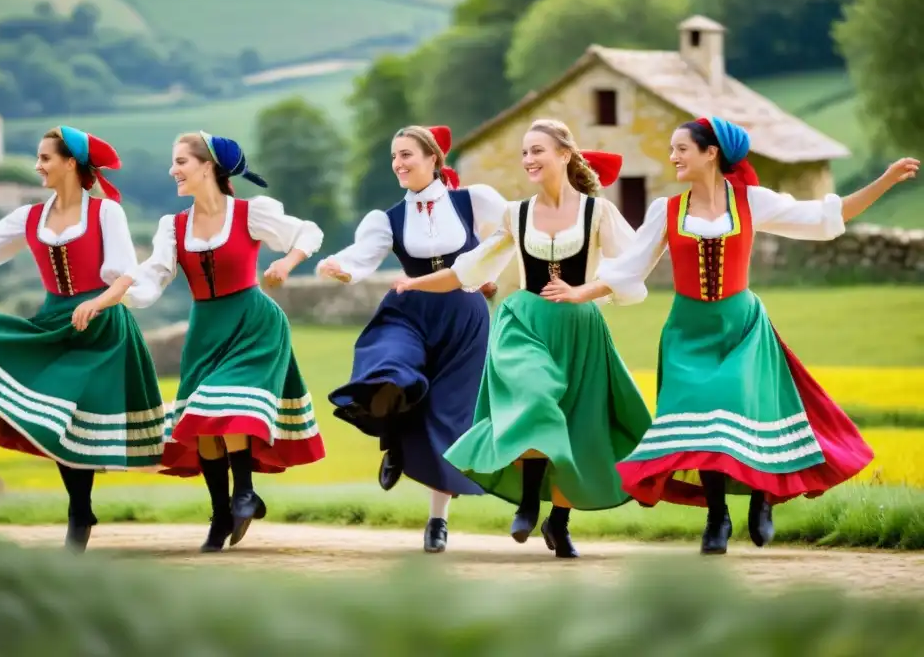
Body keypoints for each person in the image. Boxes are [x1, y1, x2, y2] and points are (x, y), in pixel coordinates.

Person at [566, 116, 919, 554]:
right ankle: (717, 516)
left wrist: (885, 180)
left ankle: (762, 498)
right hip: (687, 332)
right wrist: (581, 291)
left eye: (681, 149)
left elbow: (825, 215)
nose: (673, 156)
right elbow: (629, 268)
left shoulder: (753, 201)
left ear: (710, 153)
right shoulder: (667, 210)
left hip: (742, 327)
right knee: (703, 418)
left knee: (737, 406)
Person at [393, 119, 652, 559]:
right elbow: (469, 269)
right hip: (525, 321)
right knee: (535, 398)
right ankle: (531, 499)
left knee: (577, 424)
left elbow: (631, 271)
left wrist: (582, 291)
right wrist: (414, 284)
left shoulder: (597, 212)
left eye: (538, 151)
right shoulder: (517, 214)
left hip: (579, 328)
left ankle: (560, 522)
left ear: (565, 155)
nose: (529, 160)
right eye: (525, 152)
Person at [0, 126, 164, 552]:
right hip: (53, 323)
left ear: (70, 163)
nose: (38, 166)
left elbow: (124, 275)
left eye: (45, 158)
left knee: (69, 416)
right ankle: (81, 510)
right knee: (53, 415)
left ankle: (81, 512)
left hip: (102, 329)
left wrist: (96, 304)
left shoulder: (105, 213)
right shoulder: (29, 217)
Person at [85, 131, 326, 553]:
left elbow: (308, 232)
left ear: (207, 167)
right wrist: (116, 291)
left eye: (181, 161)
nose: (172, 170)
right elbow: (152, 279)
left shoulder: (251, 213)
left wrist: (287, 262)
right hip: (205, 330)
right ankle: (221, 514)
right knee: (202, 423)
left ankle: (245, 494)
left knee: (226, 404)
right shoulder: (173, 226)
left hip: (254, 324)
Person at [316, 125, 506, 553]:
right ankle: (394, 440)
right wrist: (341, 267)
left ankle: (437, 522)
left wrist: (488, 276)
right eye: (394, 157)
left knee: (447, 418)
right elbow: (361, 257)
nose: (399, 164)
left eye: (407, 155)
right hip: (410, 309)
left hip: (463, 318)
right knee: (389, 368)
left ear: (433, 159)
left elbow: (512, 233)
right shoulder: (388, 219)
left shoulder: (474, 201)